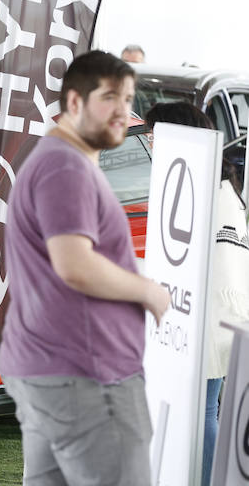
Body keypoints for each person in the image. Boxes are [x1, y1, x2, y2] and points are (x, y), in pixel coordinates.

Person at [0, 50, 171, 485]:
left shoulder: (57, 159)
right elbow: (74, 264)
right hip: (87, 377)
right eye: (110, 97)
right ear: (75, 103)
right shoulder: (64, 167)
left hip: (55, 371)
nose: (123, 111)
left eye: (129, 98)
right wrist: (146, 291)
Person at [144, 101, 249, 486]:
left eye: (156, 134)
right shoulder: (219, 187)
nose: (151, 143)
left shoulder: (205, 191)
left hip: (209, 317)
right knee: (203, 412)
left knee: (203, 413)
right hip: (215, 315)